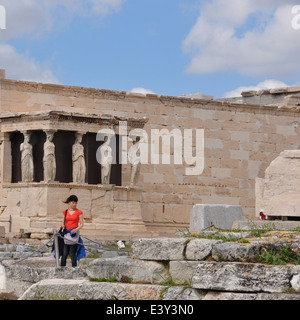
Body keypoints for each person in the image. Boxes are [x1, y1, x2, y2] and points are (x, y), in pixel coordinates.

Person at [60, 195, 85, 267]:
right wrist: (62, 225)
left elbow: (81, 224)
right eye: (73, 202)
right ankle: (62, 269)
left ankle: (74, 269)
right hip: (66, 233)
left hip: (74, 234)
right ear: (69, 202)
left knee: (72, 252)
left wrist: (76, 229)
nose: (74, 204)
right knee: (64, 253)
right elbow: (63, 222)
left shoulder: (79, 212)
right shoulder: (65, 211)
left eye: (76, 203)